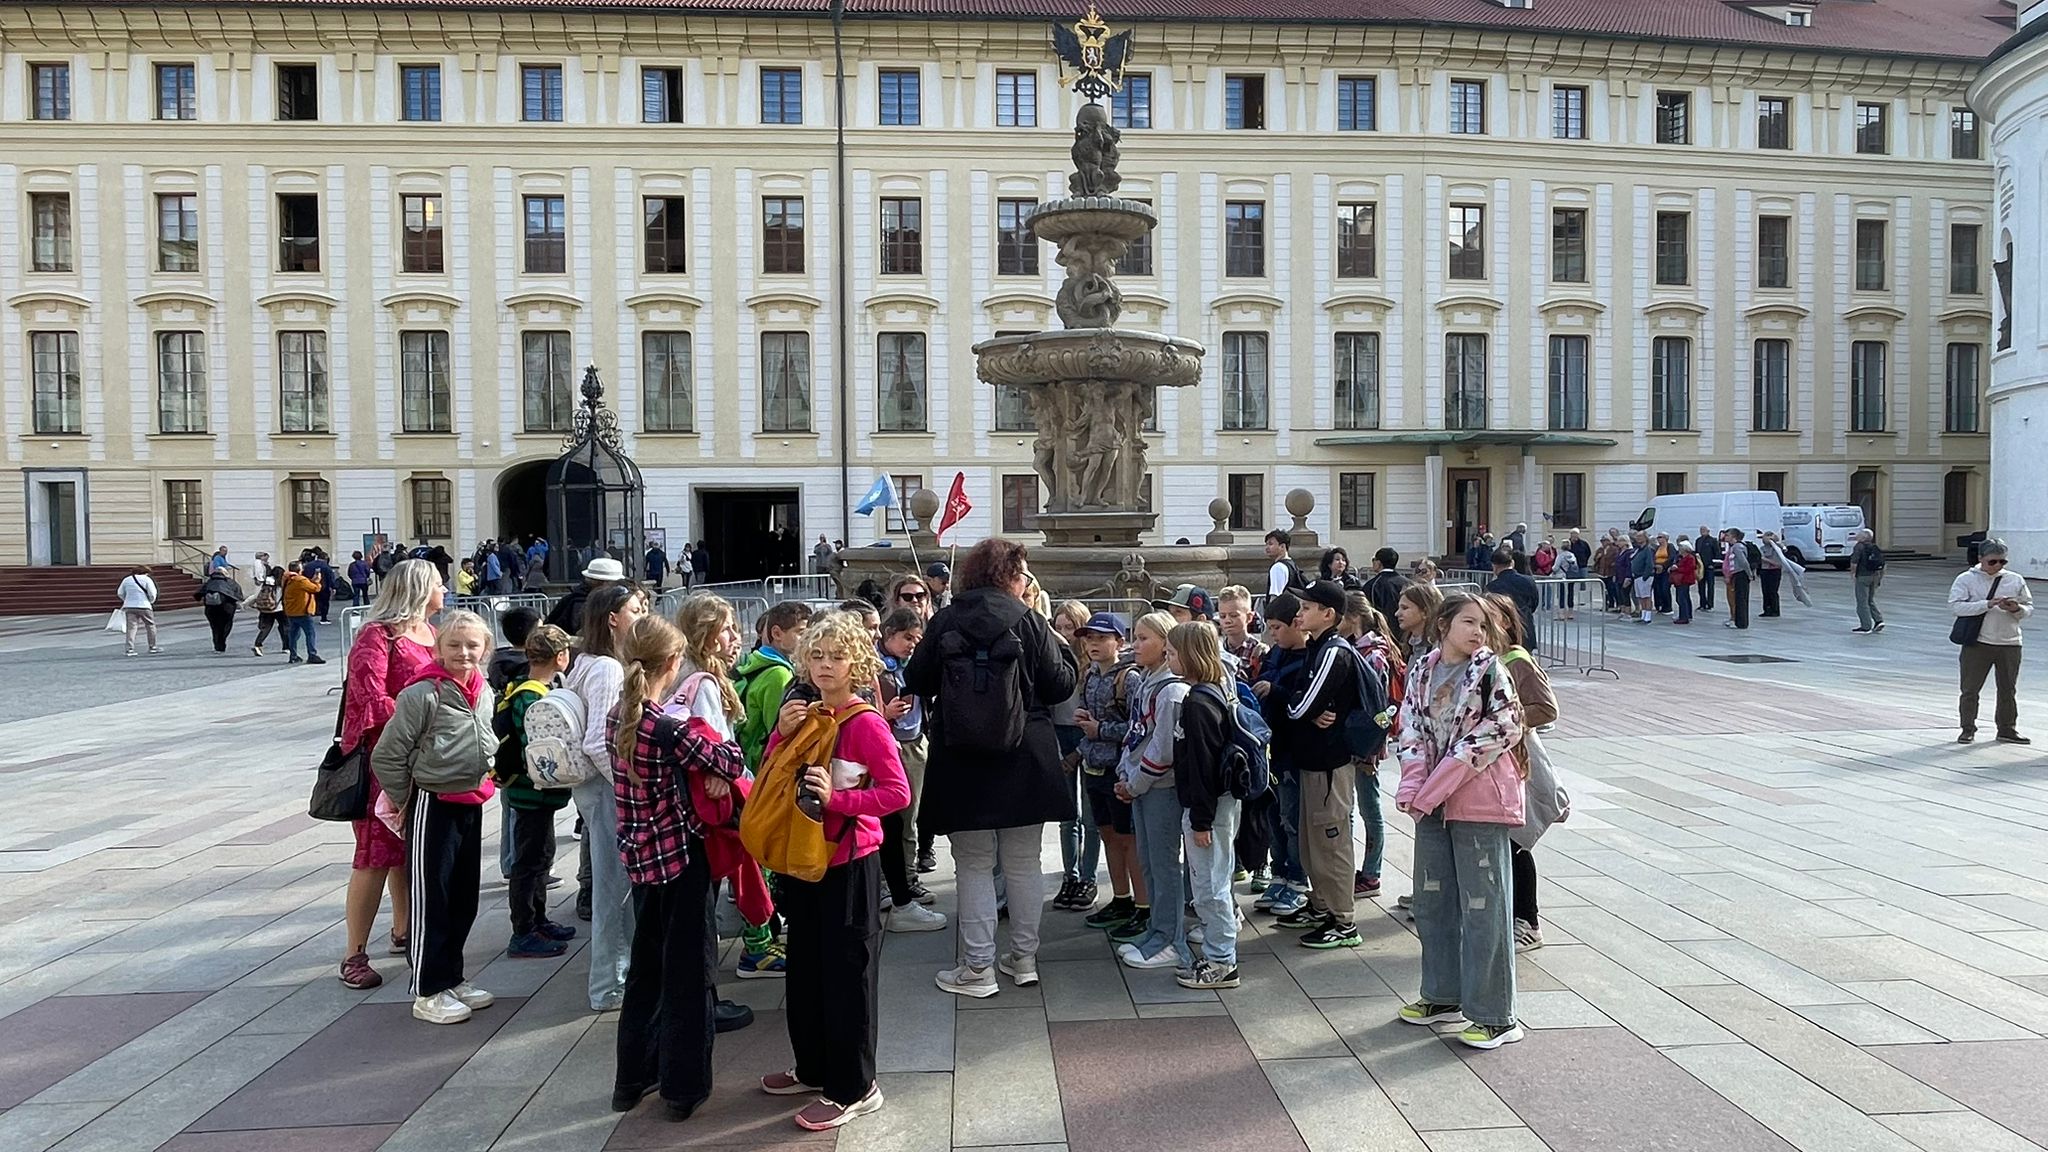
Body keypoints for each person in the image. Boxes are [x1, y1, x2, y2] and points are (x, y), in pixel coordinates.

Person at [907, 537, 1079, 995]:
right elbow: (1060, 685)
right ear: (1011, 577)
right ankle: (1024, 959)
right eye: (1022, 574)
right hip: (1025, 753)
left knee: (973, 864)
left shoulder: (947, 618)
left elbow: (916, 678)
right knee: (1023, 863)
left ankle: (977, 968)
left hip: (960, 754)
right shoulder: (1030, 620)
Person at [758, 611, 910, 1130]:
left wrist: (839, 800)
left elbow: (897, 793)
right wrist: (780, 736)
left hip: (848, 861)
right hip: (803, 857)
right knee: (805, 968)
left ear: (857, 663)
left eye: (838, 657)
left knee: (848, 974)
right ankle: (813, 1067)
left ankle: (855, 1087)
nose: (826, 665)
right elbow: (773, 772)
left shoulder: (865, 723)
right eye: (818, 655)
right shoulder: (806, 713)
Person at [609, 614, 749, 1122]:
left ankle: (632, 1079)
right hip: (681, 858)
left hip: (640, 858)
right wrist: (717, 767)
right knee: (690, 973)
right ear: (673, 662)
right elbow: (731, 760)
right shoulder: (667, 728)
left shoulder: (618, 716)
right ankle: (682, 1088)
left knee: (646, 969)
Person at [1395, 592, 1526, 1050]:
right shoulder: (1423, 670)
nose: (1477, 632)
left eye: (1484, 625)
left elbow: (1506, 726)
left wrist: (1441, 778)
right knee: (1433, 901)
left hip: (1478, 801)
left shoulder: (1490, 671)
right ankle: (1442, 994)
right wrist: (1414, 782)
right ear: (1444, 624)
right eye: (1469, 622)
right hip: (1432, 804)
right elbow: (1410, 726)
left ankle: (1495, 1015)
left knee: (1484, 907)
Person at [369, 608, 499, 1025]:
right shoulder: (422, 694)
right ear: (439, 647)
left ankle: (452, 977)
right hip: (434, 802)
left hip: (470, 800)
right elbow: (387, 756)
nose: (464, 652)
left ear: (485, 648)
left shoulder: (483, 689)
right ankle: (427, 988)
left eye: (472, 645)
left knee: (463, 896)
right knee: (433, 897)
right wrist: (407, 801)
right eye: (454, 645)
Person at [337, 559, 444, 990]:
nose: (445, 590)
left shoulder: (429, 632)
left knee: (407, 848)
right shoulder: (377, 635)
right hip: (381, 760)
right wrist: (424, 710)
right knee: (374, 855)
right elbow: (368, 699)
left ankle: (404, 929)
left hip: (423, 759)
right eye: (438, 584)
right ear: (418, 590)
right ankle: (354, 954)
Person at [565, 582, 652, 1011]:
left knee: (614, 883)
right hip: (605, 788)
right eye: (636, 609)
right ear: (613, 619)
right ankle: (610, 985)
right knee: (614, 888)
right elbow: (599, 741)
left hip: (598, 788)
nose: (644, 615)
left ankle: (622, 974)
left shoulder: (588, 662)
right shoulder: (605, 668)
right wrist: (630, 784)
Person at [1280, 580, 1368, 950]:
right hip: (1312, 759)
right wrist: (1303, 707)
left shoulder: (1334, 651)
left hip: (1330, 763)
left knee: (1331, 843)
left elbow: (1299, 706)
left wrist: (1297, 707)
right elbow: (1305, 703)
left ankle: (1343, 920)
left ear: (1328, 614)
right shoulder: (1317, 646)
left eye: (1306, 607)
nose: (1298, 613)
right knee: (1312, 842)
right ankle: (1321, 905)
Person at [1110, 611, 1191, 970]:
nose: (1135, 644)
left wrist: (1135, 781)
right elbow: (1136, 734)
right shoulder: (1147, 680)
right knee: (1148, 862)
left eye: (1144, 638)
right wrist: (1125, 772)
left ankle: (1171, 939)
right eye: (1135, 636)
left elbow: (1162, 750)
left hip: (1161, 787)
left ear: (1165, 644)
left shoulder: (1171, 689)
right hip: (1142, 785)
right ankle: (1157, 930)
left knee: (1164, 864)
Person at [493, 624, 579, 959]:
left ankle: (538, 919)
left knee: (541, 856)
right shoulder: (531, 695)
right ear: (561, 657)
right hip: (532, 792)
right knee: (528, 862)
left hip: (534, 792)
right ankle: (524, 930)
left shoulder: (529, 688)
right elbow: (539, 746)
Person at [1165, 621, 1243, 991]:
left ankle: (1222, 962)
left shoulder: (1197, 702)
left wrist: (1200, 820)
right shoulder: (1214, 690)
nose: (1168, 658)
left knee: (1210, 886)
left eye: (1172, 652)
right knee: (1214, 880)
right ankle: (1218, 953)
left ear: (1189, 655)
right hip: (1218, 806)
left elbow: (1202, 766)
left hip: (1210, 810)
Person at [1481, 593, 1557, 955]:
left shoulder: (1516, 660)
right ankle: (1506, 915)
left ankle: (1528, 921)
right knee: (1500, 842)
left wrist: (1502, 722)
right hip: (1492, 764)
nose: (1480, 627)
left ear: (1507, 623)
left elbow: (1546, 708)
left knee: (1515, 843)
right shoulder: (1484, 659)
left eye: (1487, 619)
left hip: (1515, 763)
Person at [875, 608, 945, 930]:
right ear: (889, 634)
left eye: (917, 639)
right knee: (890, 820)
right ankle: (888, 884)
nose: (912, 645)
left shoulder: (914, 664)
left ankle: (909, 877)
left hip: (914, 742)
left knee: (910, 818)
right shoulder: (875, 667)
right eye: (907, 638)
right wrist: (885, 713)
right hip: (888, 745)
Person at [1075, 613, 1145, 931]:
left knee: (1128, 838)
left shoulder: (1129, 678)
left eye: (1102, 638)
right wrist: (1085, 723)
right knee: (1108, 835)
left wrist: (1099, 729)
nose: (1094, 644)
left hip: (1118, 769)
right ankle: (1120, 898)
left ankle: (1143, 905)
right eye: (1090, 638)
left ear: (1119, 642)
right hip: (1094, 766)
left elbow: (1138, 727)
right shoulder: (1089, 675)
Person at [1251, 594, 1311, 921]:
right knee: (1272, 815)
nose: (1272, 634)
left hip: (1292, 751)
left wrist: (1276, 691)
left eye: (1277, 627)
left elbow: (1304, 702)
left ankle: (1298, 879)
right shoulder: (1275, 653)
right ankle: (1279, 873)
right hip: (1269, 748)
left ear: (1296, 624)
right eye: (1269, 627)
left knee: (1291, 817)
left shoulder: (1310, 657)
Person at [1343, 593, 1402, 901]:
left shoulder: (1373, 655)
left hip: (1366, 744)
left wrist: (1370, 747)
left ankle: (1371, 872)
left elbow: (1377, 707)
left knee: (1369, 807)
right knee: (1352, 807)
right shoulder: (1358, 648)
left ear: (1353, 618)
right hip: (1356, 741)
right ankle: (1354, 868)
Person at [1950, 539, 2032, 745]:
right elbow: (1956, 607)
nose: (1997, 566)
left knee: (2008, 689)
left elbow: (2028, 607)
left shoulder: (2014, 579)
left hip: (2010, 642)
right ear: (1980, 559)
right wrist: (1986, 604)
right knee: (1970, 689)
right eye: (1992, 561)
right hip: (1978, 642)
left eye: (2002, 562)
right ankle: (1967, 728)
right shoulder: (1966, 579)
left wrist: (2016, 609)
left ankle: (2007, 728)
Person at [1050, 599, 1100, 912]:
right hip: (1059, 732)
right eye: (1060, 627)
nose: (1065, 633)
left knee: (1091, 817)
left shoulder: (1091, 666)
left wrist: (1078, 751)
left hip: (1086, 735)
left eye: (1070, 627)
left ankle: (1088, 876)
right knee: (1067, 817)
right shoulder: (1052, 659)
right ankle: (1070, 875)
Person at [734, 601, 815, 770]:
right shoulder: (779, 675)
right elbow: (778, 727)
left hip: (748, 754)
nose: (807, 640)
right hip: (763, 762)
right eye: (801, 633)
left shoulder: (757, 660)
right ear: (777, 633)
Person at [547, 557, 628, 635]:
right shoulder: (581, 603)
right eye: (615, 583)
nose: (618, 587)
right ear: (604, 583)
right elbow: (581, 633)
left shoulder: (573, 598)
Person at [1488, 547, 1540, 653]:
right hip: (1525, 629)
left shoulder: (1492, 587)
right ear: (1512, 563)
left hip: (1504, 632)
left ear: (1494, 566)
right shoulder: (1528, 580)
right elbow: (1534, 603)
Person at [283, 561, 325, 664]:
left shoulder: (287, 579)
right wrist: (317, 580)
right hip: (302, 611)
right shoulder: (300, 580)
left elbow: (305, 585)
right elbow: (315, 589)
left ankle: (293, 655)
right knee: (310, 634)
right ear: (299, 570)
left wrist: (312, 580)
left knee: (293, 635)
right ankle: (312, 654)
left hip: (291, 611)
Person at [195, 566, 244, 653]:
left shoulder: (210, 581)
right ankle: (222, 641)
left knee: (215, 627)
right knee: (226, 625)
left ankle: (217, 645)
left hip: (211, 608)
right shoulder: (230, 582)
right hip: (227, 608)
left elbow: (198, 594)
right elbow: (238, 594)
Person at [116, 565, 162, 657]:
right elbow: (152, 593)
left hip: (129, 606)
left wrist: (126, 600)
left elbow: (120, 593)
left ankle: (130, 649)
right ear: (145, 572)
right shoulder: (147, 580)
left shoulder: (126, 580)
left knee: (131, 628)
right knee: (150, 625)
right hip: (144, 605)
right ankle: (152, 646)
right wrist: (150, 601)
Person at [1396, 582, 1442, 666]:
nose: (1397, 613)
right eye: (1399, 608)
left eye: (1405, 608)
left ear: (1425, 612)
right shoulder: (1410, 646)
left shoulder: (1440, 649)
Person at [1851, 529, 1887, 634]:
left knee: (1862, 602)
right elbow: (1883, 564)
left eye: (1859, 534)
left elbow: (1854, 562)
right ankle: (1879, 620)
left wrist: (1853, 574)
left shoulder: (1859, 547)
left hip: (1863, 576)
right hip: (1875, 576)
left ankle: (1865, 626)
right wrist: (1880, 578)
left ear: (1863, 537)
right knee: (1870, 600)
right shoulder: (1874, 547)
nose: (1857, 535)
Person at [1364, 548, 1408, 627]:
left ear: (1379, 562)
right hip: (1406, 627)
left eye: (1374, 560)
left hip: (1381, 628)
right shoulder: (1407, 583)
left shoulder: (1372, 585)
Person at [248, 565, 286, 657]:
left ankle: (258, 644)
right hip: (279, 608)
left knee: (266, 628)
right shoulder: (280, 583)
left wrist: (248, 603)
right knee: (284, 627)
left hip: (266, 608)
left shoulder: (266, 582)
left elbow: (257, 595)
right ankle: (286, 646)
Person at [1723, 528, 1754, 630]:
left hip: (1741, 573)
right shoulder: (1733, 547)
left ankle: (1742, 623)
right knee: (1738, 598)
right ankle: (1739, 621)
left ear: (1733, 536)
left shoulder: (1737, 547)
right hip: (1737, 573)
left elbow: (1743, 561)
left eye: (1728, 535)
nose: (1725, 537)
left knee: (1741, 598)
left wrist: (1749, 574)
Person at [1264, 529, 1304, 595]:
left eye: (1270, 544)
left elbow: (1275, 595)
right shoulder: (1292, 565)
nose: (1267, 547)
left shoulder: (1278, 567)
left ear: (1282, 546)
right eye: (1266, 544)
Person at [1692, 526, 1720, 611]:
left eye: (1704, 530)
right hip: (1701, 567)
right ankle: (1702, 604)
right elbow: (1696, 552)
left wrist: (1713, 564)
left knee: (1710, 586)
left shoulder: (1713, 540)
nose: (1702, 531)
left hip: (1709, 567)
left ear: (1708, 531)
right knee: (1701, 586)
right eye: (1701, 530)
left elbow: (1717, 553)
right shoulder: (1698, 540)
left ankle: (1710, 604)